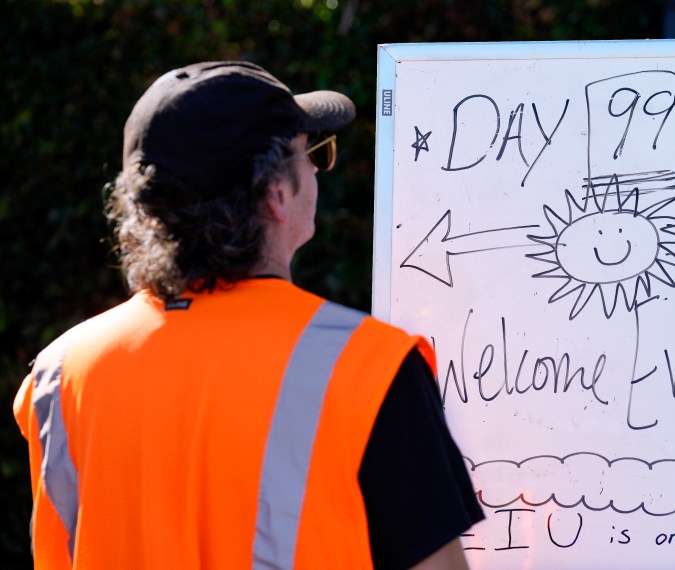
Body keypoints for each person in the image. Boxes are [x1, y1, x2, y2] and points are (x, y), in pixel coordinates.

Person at [13, 61, 483, 570]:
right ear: (277, 195)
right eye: (315, 154)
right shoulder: (367, 368)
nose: (320, 170)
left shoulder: (59, 376)